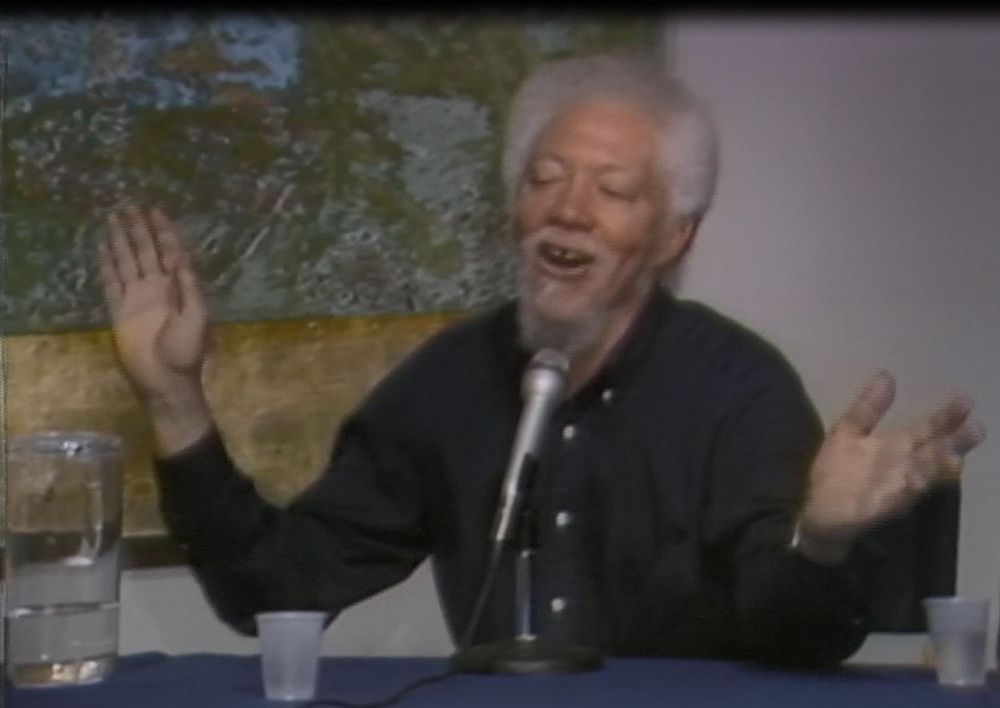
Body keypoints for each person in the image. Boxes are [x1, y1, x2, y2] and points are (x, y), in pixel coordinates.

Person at [98, 50, 984, 666]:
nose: (570, 209)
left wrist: (819, 542)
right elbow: (277, 592)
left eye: (613, 191)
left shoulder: (740, 394)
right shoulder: (445, 383)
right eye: (545, 177)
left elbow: (796, 642)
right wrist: (176, 399)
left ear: (675, 235)